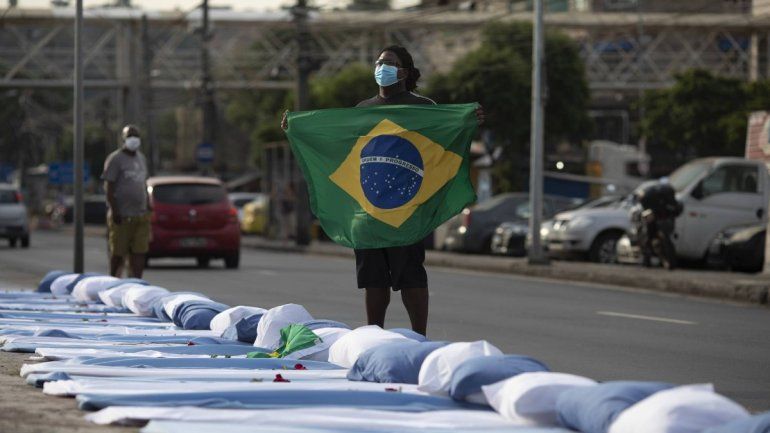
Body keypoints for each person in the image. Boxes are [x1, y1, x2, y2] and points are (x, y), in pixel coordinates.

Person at [282, 45, 483, 336]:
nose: (381, 67)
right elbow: (336, 142)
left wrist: (467, 119)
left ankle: (419, 338)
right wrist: (298, 127)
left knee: (411, 277)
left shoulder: (423, 107)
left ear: (404, 71)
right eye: (378, 62)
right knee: (373, 281)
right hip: (369, 211)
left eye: (388, 62)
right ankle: (373, 336)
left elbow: (444, 137)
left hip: (407, 210)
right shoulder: (362, 110)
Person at [103, 125, 152, 278]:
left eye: (136, 136)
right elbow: (109, 187)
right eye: (130, 136)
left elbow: (144, 184)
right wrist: (115, 209)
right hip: (122, 216)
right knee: (118, 253)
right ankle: (113, 281)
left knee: (139, 252)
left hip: (140, 215)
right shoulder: (115, 159)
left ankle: (136, 283)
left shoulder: (141, 158)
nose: (134, 139)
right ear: (124, 139)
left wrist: (148, 205)